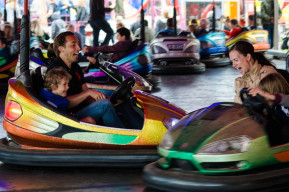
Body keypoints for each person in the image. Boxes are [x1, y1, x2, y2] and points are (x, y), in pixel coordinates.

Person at [47, 31, 125, 128]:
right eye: (73, 45)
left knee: (122, 102)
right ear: (61, 49)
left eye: (78, 44)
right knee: (105, 106)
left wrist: (109, 100)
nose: (79, 48)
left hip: (82, 109)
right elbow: (60, 103)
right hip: (67, 117)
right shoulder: (55, 70)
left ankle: (139, 132)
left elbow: (86, 95)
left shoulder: (75, 67)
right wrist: (89, 94)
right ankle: (126, 140)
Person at [248, 73, 289, 145]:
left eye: (264, 93)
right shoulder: (270, 108)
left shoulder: (285, 104)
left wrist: (267, 95)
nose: (263, 97)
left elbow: (285, 100)